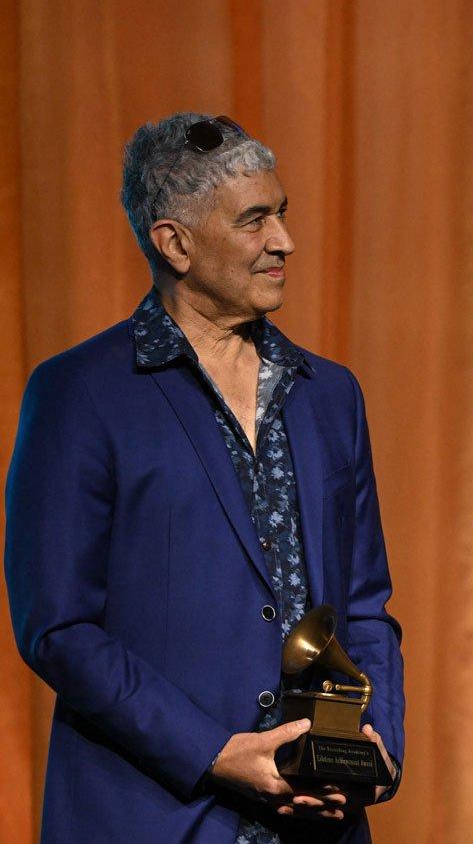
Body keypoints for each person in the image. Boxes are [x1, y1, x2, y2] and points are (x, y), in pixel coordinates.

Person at [5, 113, 404, 843]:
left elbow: (366, 604)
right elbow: (57, 626)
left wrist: (370, 750)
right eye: (255, 221)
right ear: (175, 242)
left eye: (282, 214)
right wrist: (215, 754)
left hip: (318, 821)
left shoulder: (330, 394)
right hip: (154, 812)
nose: (285, 241)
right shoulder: (81, 393)